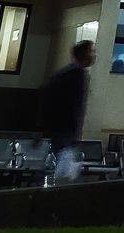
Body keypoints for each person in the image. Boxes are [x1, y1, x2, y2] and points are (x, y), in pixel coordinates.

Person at [39, 39, 95, 183]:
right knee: (64, 174)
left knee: (59, 170)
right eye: (91, 51)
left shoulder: (64, 74)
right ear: (83, 54)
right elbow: (74, 107)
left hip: (60, 131)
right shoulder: (76, 76)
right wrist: (75, 134)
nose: (93, 55)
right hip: (65, 131)